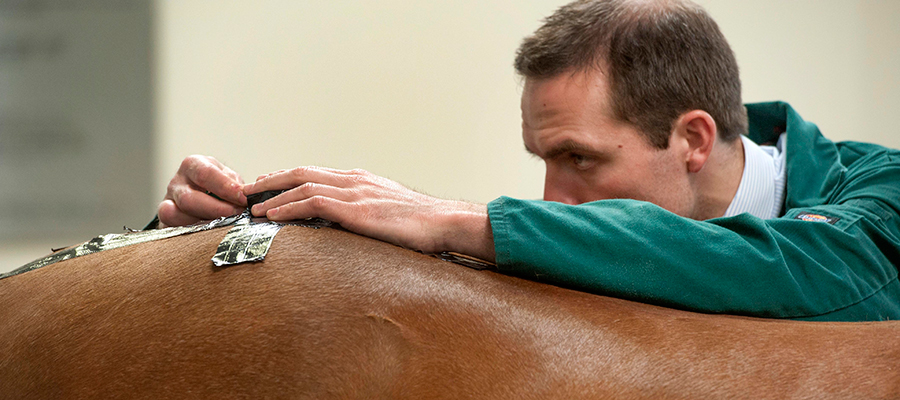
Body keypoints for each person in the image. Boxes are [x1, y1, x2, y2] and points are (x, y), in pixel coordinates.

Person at [154, 0, 900, 321]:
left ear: (694, 140)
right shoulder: (597, 236)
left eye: (579, 157)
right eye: (543, 157)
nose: (550, 196)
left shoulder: (879, 191)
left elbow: (827, 272)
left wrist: (459, 220)